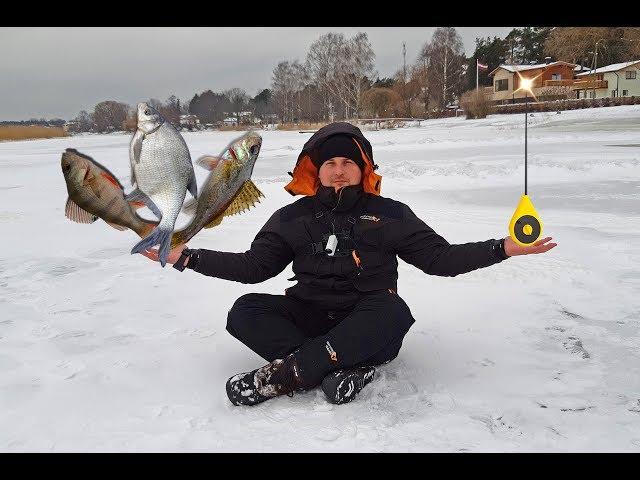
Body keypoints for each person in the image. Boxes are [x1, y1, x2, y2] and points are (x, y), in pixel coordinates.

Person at [140, 122, 557, 406]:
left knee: (393, 310)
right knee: (245, 311)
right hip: (312, 314)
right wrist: (187, 257)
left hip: (367, 318)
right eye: (330, 164)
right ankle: (339, 367)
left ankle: (287, 375)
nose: (339, 172)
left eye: (348, 163)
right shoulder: (291, 217)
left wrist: (503, 248)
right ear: (315, 171)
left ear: (363, 169)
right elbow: (254, 267)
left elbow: (439, 260)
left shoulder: (390, 213)